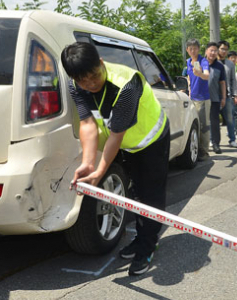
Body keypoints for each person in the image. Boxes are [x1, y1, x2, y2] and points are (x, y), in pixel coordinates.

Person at [61, 42, 170, 276]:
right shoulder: (75, 86)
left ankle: (147, 245)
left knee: (151, 194)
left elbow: (116, 135)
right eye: (83, 80)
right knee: (136, 193)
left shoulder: (126, 85)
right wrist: (88, 163)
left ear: (101, 63)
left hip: (152, 140)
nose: (90, 84)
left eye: (94, 75)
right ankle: (143, 237)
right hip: (129, 144)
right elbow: (88, 125)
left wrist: (99, 171)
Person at [185, 39, 211, 161]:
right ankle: (198, 149)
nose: (193, 50)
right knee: (195, 125)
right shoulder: (188, 62)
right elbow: (189, 78)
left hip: (203, 99)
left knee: (204, 125)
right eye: (190, 48)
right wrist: (189, 89)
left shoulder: (203, 61)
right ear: (187, 50)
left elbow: (207, 75)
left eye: (195, 48)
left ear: (199, 49)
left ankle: (204, 152)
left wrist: (200, 73)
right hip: (193, 98)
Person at [205, 42, 227, 154]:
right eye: (211, 50)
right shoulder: (200, 63)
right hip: (201, 98)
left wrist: (223, 97)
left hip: (214, 98)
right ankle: (202, 145)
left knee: (214, 122)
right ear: (206, 51)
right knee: (201, 122)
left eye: (215, 51)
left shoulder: (219, 66)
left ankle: (216, 144)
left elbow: (222, 83)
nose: (213, 53)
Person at [217, 40, 237, 148]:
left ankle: (232, 139)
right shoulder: (212, 62)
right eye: (222, 49)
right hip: (215, 95)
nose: (224, 51)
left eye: (226, 49)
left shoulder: (230, 64)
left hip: (228, 95)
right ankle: (213, 140)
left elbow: (233, 80)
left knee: (230, 118)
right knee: (214, 119)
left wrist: (235, 94)